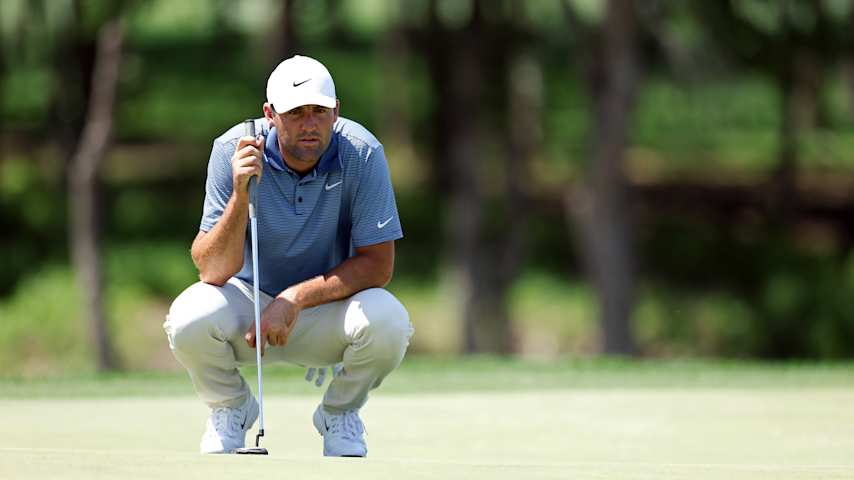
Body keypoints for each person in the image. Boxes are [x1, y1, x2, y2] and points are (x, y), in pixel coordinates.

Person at [163, 55, 414, 457]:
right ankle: (232, 408)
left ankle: (340, 411)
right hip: (247, 307)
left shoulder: (362, 153)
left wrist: (293, 299)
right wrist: (240, 193)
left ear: (337, 111)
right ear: (270, 114)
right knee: (188, 317)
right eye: (295, 113)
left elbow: (379, 266)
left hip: (324, 308)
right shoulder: (233, 149)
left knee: (389, 321)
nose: (309, 123)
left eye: (319, 111)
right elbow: (211, 269)